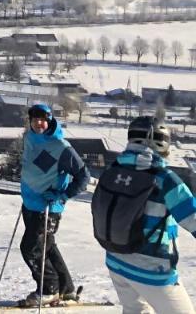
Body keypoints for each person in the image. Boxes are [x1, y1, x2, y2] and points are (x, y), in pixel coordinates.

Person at [103, 116, 196, 314]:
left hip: (115, 260)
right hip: (150, 268)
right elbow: (192, 217)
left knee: (135, 310)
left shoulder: (115, 169)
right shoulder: (165, 179)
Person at [19, 103, 89, 307]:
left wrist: (62, 195)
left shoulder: (61, 146)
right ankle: (66, 289)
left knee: (30, 249)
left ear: (49, 121)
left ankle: (49, 289)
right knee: (47, 247)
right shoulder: (30, 138)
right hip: (30, 204)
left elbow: (83, 176)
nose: (38, 123)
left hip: (47, 208)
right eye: (34, 120)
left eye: (42, 120)